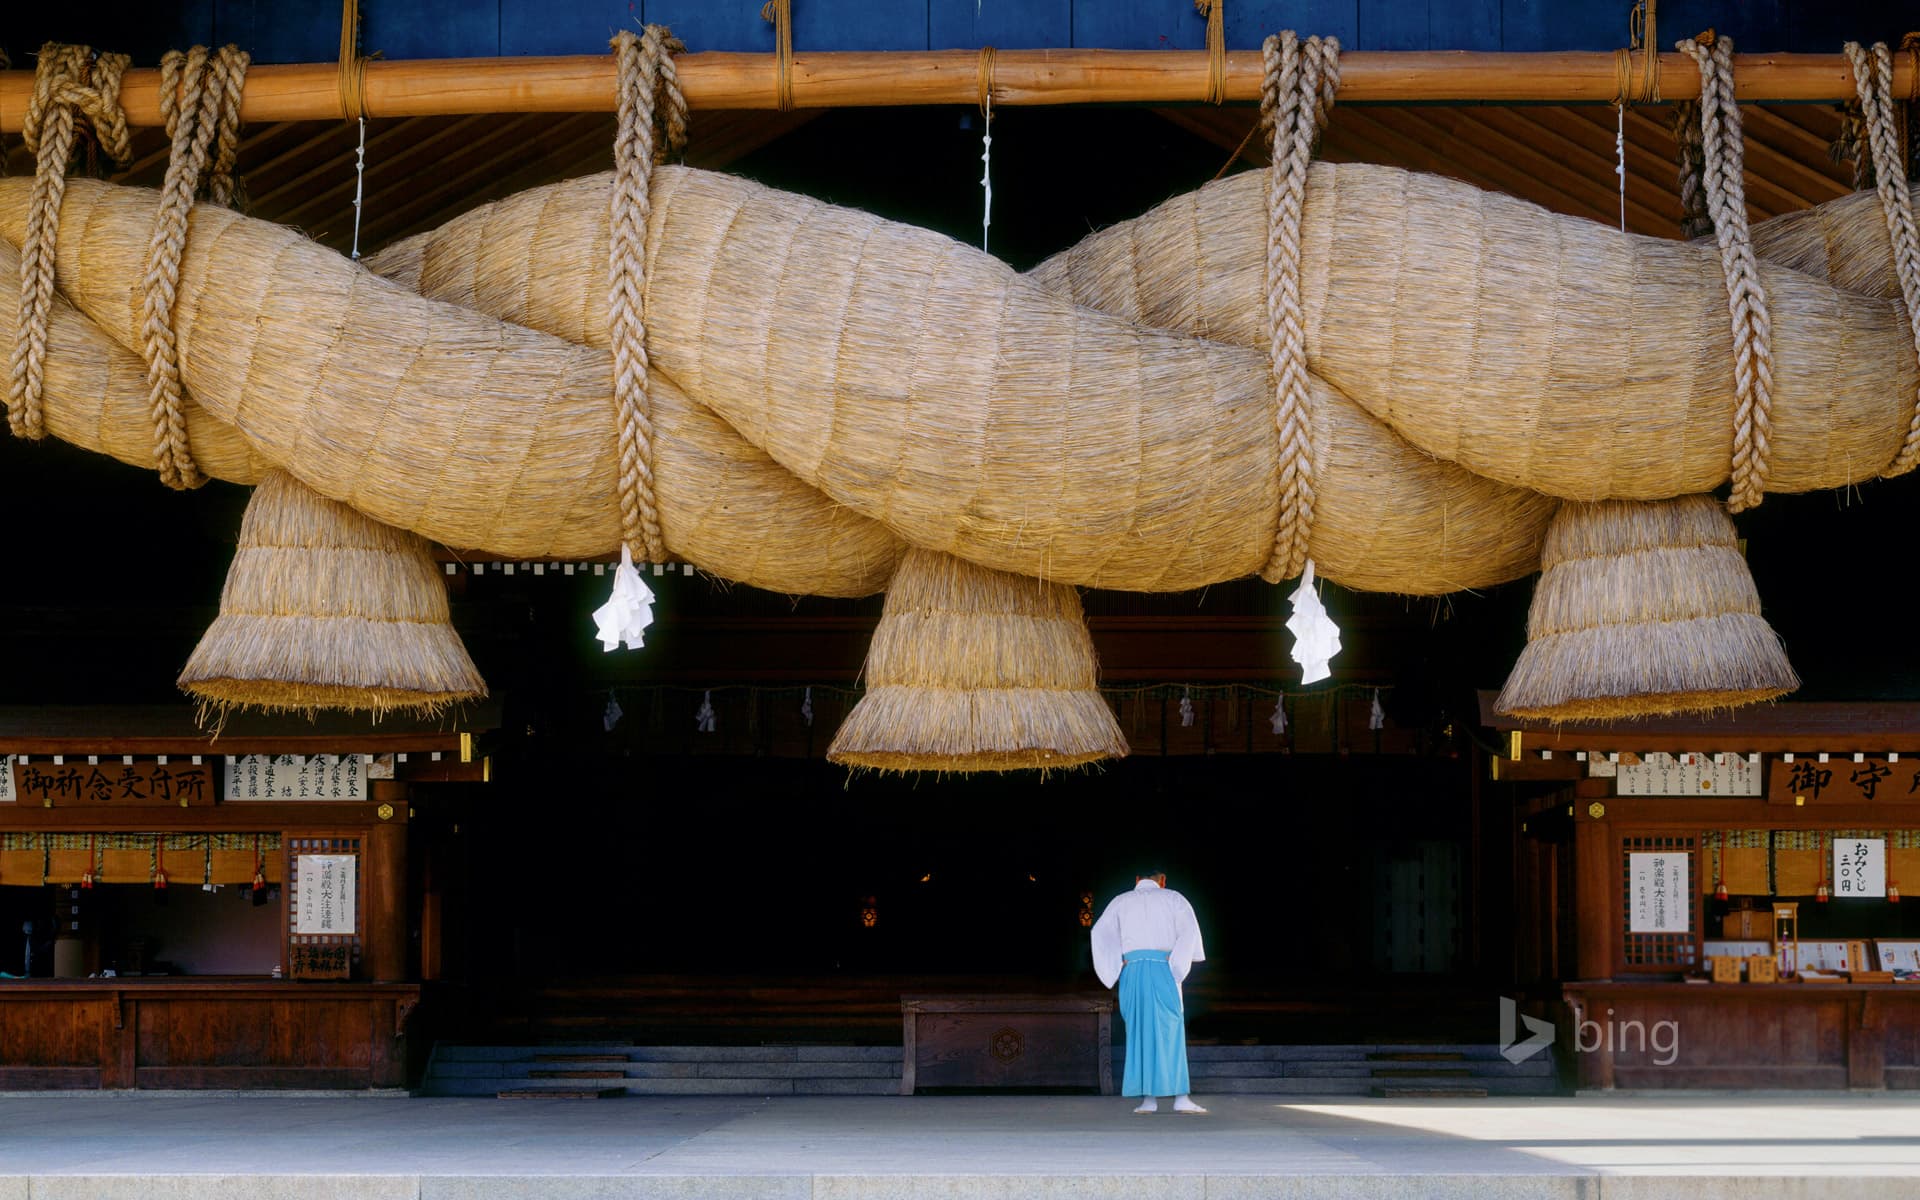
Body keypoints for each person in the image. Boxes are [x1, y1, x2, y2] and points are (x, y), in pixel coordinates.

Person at [1090, 868, 1207, 1114]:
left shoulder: (1120, 901)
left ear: (1136, 880)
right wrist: (1177, 965)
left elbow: (1099, 932)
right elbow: (1188, 933)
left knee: (1139, 1031)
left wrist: (1116, 962)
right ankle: (1180, 1097)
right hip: (1162, 967)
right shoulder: (1174, 898)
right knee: (1170, 1030)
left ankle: (1148, 1100)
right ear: (1162, 880)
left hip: (1133, 970)